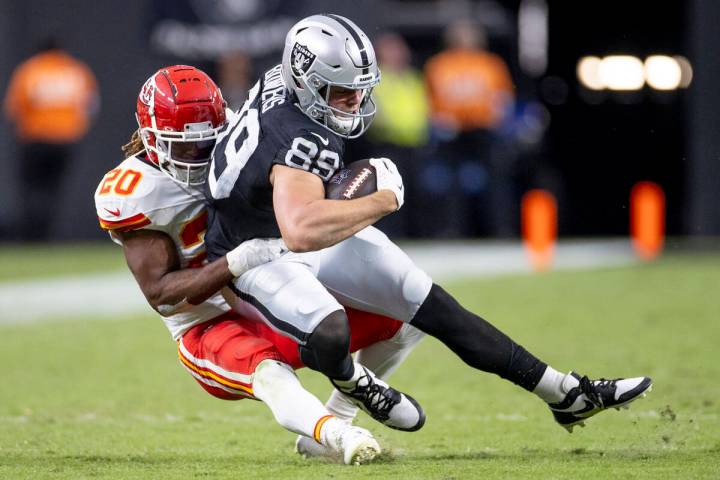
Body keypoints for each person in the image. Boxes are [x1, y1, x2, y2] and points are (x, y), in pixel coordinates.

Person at [205, 13, 652, 438]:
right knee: (330, 327)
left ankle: (563, 393)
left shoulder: (285, 83)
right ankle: (351, 392)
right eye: (342, 92)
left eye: (360, 90)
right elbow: (300, 230)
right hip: (255, 254)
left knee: (426, 302)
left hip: (276, 223)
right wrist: (382, 200)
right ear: (309, 82)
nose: (355, 102)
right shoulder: (302, 134)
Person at [93, 65, 425, 465]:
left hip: (270, 290)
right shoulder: (136, 192)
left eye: (208, 144)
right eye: (184, 148)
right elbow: (162, 296)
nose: (199, 158)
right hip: (207, 322)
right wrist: (237, 260)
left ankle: (341, 410)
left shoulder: (243, 131)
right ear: (150, 138)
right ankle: (337, 434)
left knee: (405, 316)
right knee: (268, 372)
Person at [423, 20, 516, 237]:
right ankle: (451, 229)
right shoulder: (439, 64)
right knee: (449, 183)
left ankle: (500, 228)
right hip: (451, 132)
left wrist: (498, 118)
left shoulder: (490, 64)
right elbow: (429, 99)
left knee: (496, 181)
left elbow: (502, 98)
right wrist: (438, 119)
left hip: (484, 129)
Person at [4, 36, 99, 240]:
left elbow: (13, 108)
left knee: (31, 189)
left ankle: (32, 235)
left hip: (35, 139)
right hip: (65, 141)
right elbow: (90, 107)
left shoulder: (30, 70)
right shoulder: (75, 71)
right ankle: (46, 234)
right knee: (54, 190)